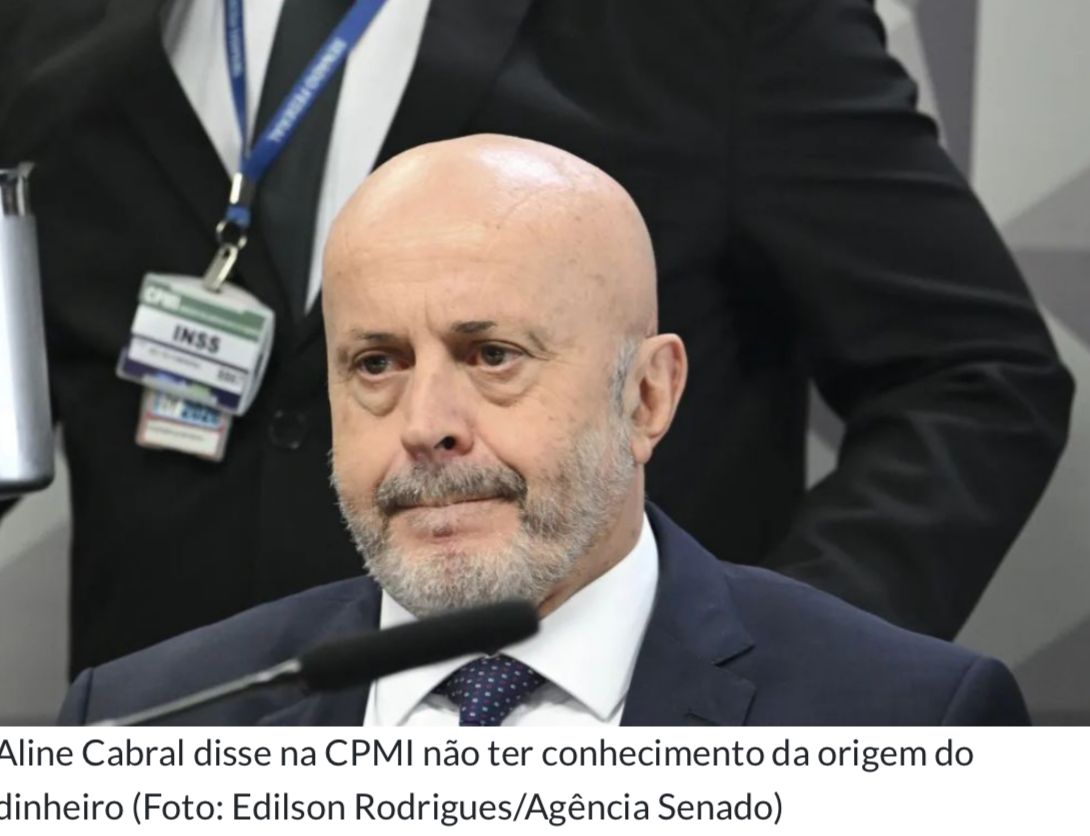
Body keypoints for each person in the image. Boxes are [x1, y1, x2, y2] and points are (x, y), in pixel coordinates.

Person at [2, 0, 1071, 677]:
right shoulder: (44, 25)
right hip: (173, 747)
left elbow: (973, 372)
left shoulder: (717, 20)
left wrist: (763, 668)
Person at [59, 137, 1030, 726]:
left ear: (646, 397)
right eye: (377, 364)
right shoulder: (141, 722)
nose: (426, 426)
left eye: (492, 356)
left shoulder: (908, 719)